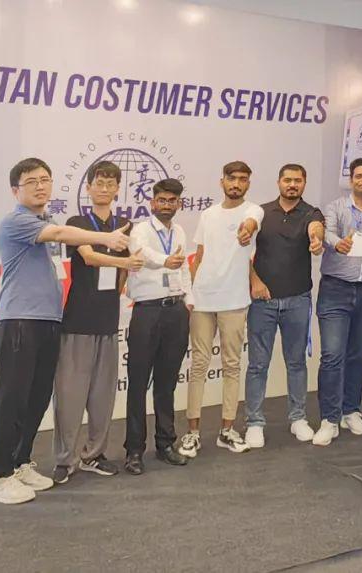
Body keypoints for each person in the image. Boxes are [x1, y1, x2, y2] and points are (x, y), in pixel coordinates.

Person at [0, 157, 130, 505]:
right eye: (31, 181)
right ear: (15, 190)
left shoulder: (44, 219)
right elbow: (63, 234)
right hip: (19, 322)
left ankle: (19, 464)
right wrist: (106, 237)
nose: (40, 186)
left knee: (35, 401)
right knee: (11, 401)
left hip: (48, 322)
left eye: (45, 180)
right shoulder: (17, 221)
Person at [51, 160, 142, 485]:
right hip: (77, 321)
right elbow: (88, 257)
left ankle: (94, 454)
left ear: (118, 189)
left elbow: (123, 273)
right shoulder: (77, 223)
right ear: (88, 187)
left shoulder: (126, 225)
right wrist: (124, 260)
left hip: (107, 321)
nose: (104, 189)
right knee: (70, 397)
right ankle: (65, 459)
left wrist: (125, 266)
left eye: (110, 184)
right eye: (99, 183)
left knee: (103, 397)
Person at [178, 161, 264, 458]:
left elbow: (250, 224)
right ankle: (192, 433)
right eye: (232, 178)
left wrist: (246, 231)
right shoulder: (208, 214)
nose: (236, 184)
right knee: (198, 365)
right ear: (222, 181)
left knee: (232, 365)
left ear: (248, 183)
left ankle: (227, 431)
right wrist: (189, 292)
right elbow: (199, 255)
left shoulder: (254, 211)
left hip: (234, 300)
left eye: (242, 179)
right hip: (202, 300)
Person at [244, 164, 325, 448]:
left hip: (298, 300)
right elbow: (243, 251)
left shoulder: (312, 213)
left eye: (297, 181)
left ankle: (298, 418)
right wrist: (254, 280)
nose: (292, 185)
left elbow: (317, 229)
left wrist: (316, 239)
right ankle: (254, 423)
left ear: (304, 183)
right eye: (287, 180)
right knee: (257, 365)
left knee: (296, 363)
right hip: (262, 302)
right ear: (279, 182)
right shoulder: (261, 212)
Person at [314, 157, 362, 446]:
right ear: (351, 180)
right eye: (358, 175)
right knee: (332, 355)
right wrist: (337, 243)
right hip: (336, 288)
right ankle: (329, 419)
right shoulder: (335, 207)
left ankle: (351, 410)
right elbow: (327, 231)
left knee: (358, 354)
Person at [123, 178, 194, 475]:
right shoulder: (140, 230)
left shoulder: (179, 231)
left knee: (167, 383)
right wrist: (167, 260)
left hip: (175, 311)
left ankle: (165, 443)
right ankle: (134, 450)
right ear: (152, 202)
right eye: (162, 200)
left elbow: (185, 266)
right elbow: (143, 255)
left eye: (172, 201)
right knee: (138, 383)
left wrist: (189, 299)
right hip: (147, 312)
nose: (166, 205)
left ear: (179, 203)